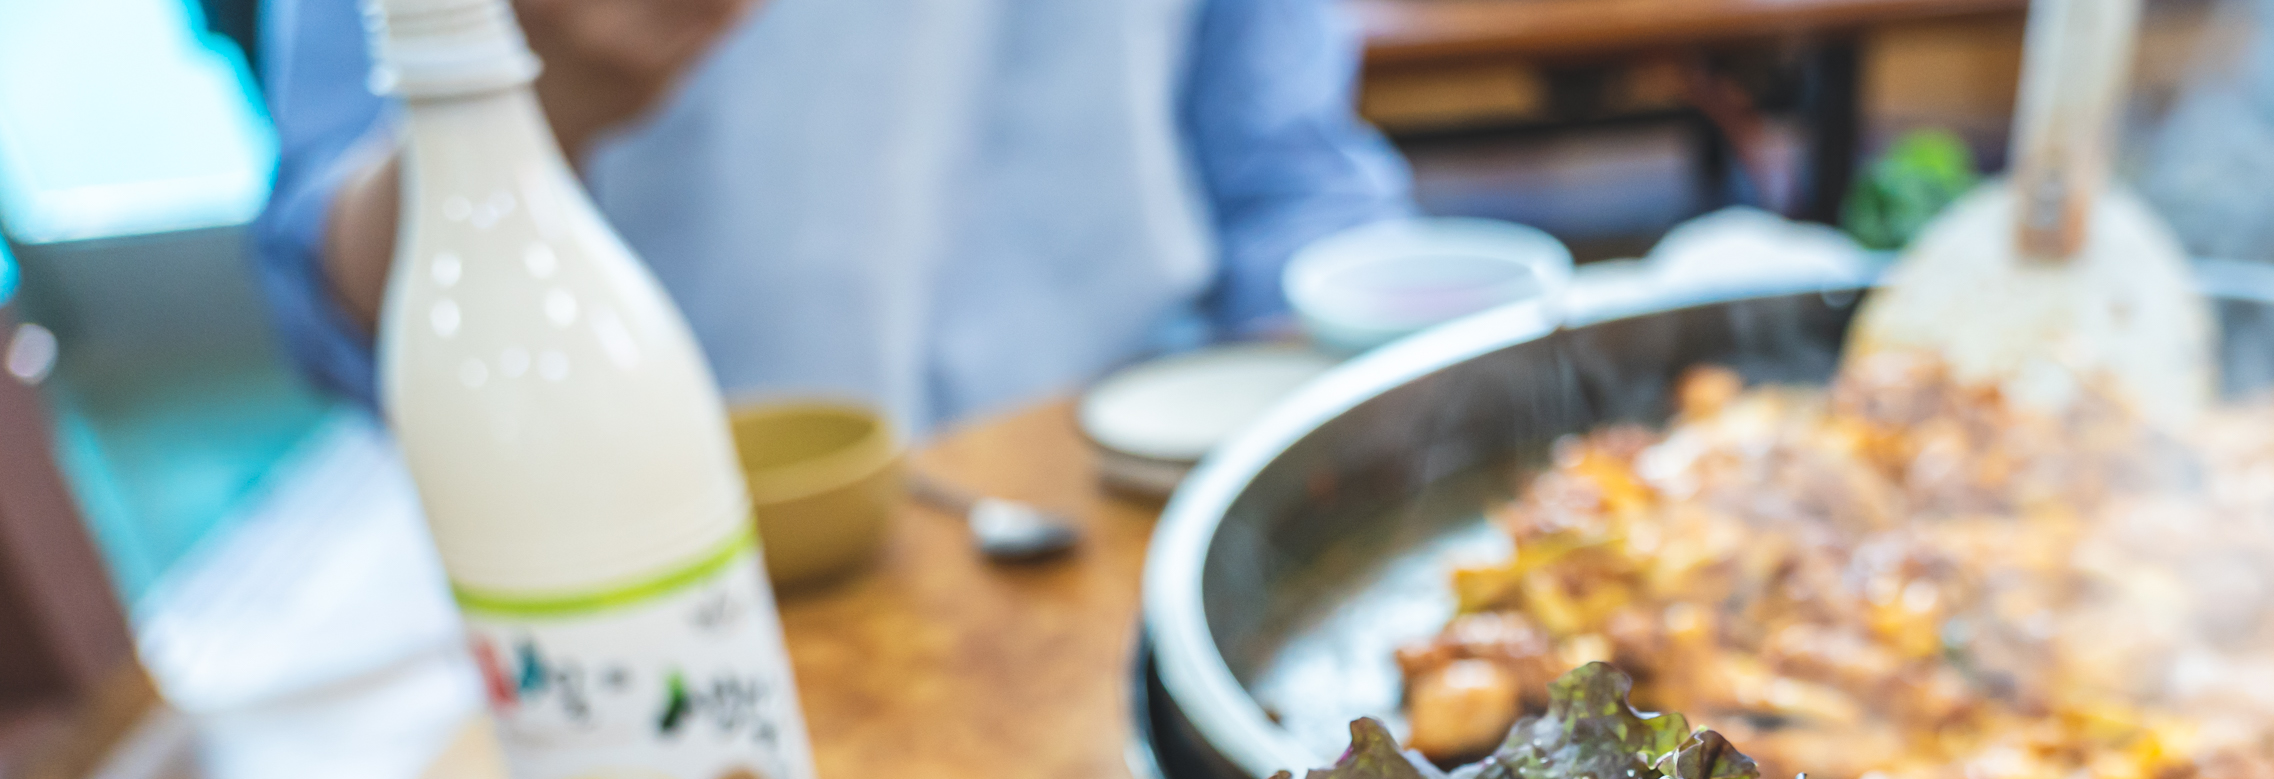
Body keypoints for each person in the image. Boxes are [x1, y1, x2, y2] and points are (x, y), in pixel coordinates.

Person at [253, 0, 1413, 431]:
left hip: (1132, 483)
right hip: (674, 568)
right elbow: (328, 307)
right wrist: (510, 107)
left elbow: (1290, 185)